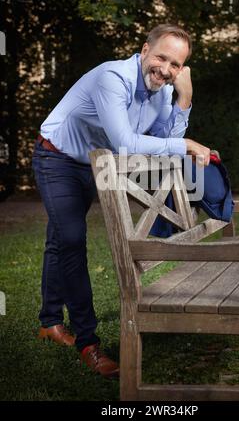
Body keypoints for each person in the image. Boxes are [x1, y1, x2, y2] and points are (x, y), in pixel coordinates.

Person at [32, 24, 211, 378]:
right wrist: (185, 145)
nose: (165, 69)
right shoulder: (112, 77)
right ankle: (88, 342)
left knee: (60, 239)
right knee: (70, 240)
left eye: (175, 65)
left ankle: (50, 322)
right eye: (161, 57)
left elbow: (163, 140)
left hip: (93, 163)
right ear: (145, 50)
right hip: (57, 158)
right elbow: (126, 143)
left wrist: (184, 100)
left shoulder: (161, 93)